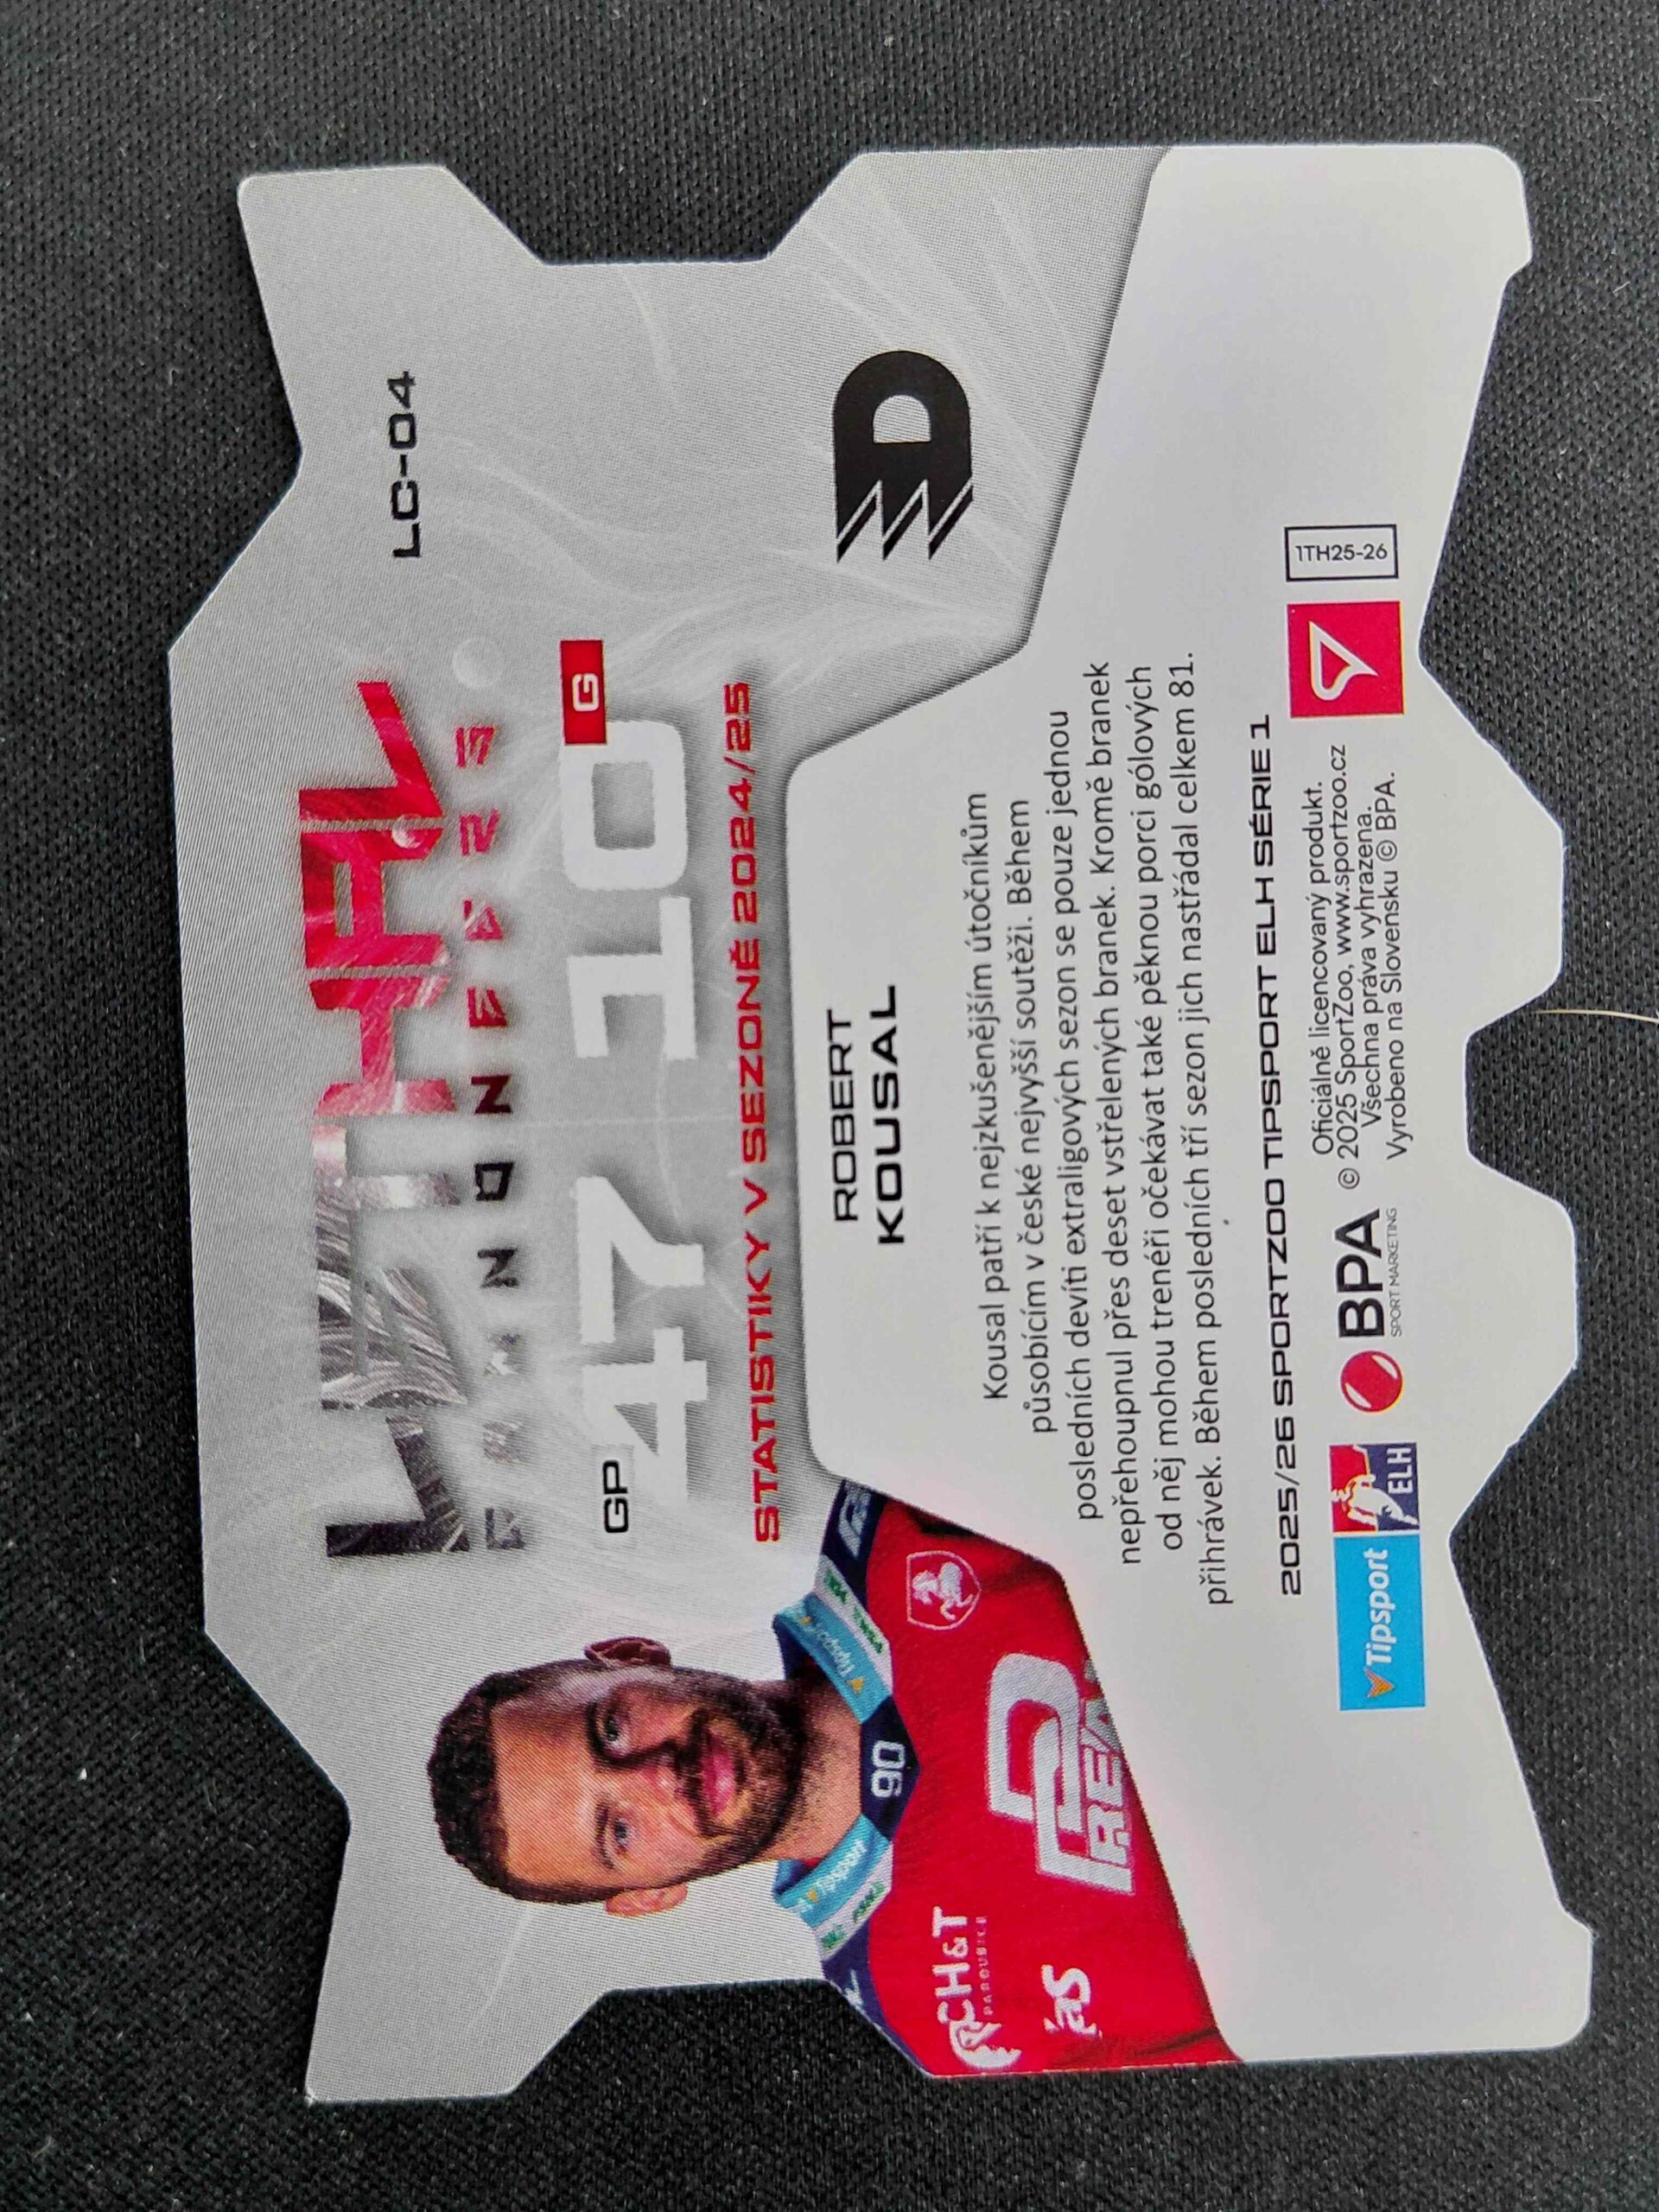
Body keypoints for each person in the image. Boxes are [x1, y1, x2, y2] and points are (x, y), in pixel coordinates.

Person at [429, 1481, 1233, 2075]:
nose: (656, 1778)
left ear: (632, 1655)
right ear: (650, 1896)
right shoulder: (932, 2014)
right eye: (619, 1831)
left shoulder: (900, 1516)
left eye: (611, 1730)